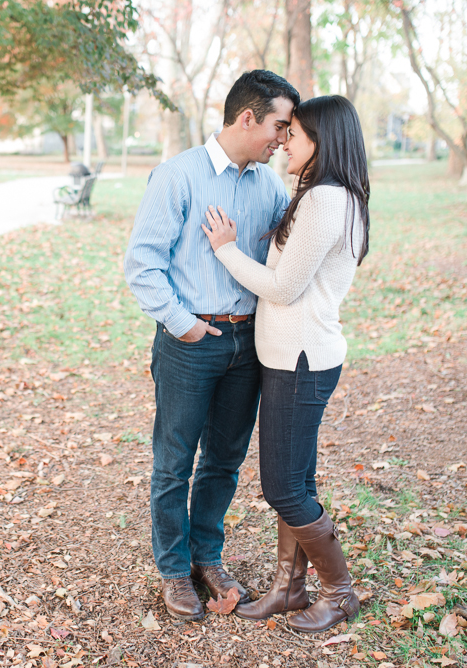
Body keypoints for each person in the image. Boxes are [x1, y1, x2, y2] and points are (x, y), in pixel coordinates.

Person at [124, 70, 300, 621]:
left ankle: (207, 558)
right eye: (278, 125)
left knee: (224, 461)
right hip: (189, 340)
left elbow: (283, 261)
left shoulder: (269, 186)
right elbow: (142, 266)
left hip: (249, 343)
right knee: (175, 460)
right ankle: (174, 570)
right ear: (247, 117)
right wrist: (186, 325)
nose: (282, 138)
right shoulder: (177, 177)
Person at [201, 95, 370, 633]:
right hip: (291, 358)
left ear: (322, 140)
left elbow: (283, 286)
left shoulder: (326, 199)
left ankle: (339, 593)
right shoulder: (323, 195)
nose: (284, 142)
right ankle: (289, 588)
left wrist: (225, 249)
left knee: (284, 487)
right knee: (296, 480)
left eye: (293, 133)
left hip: (301, 360)